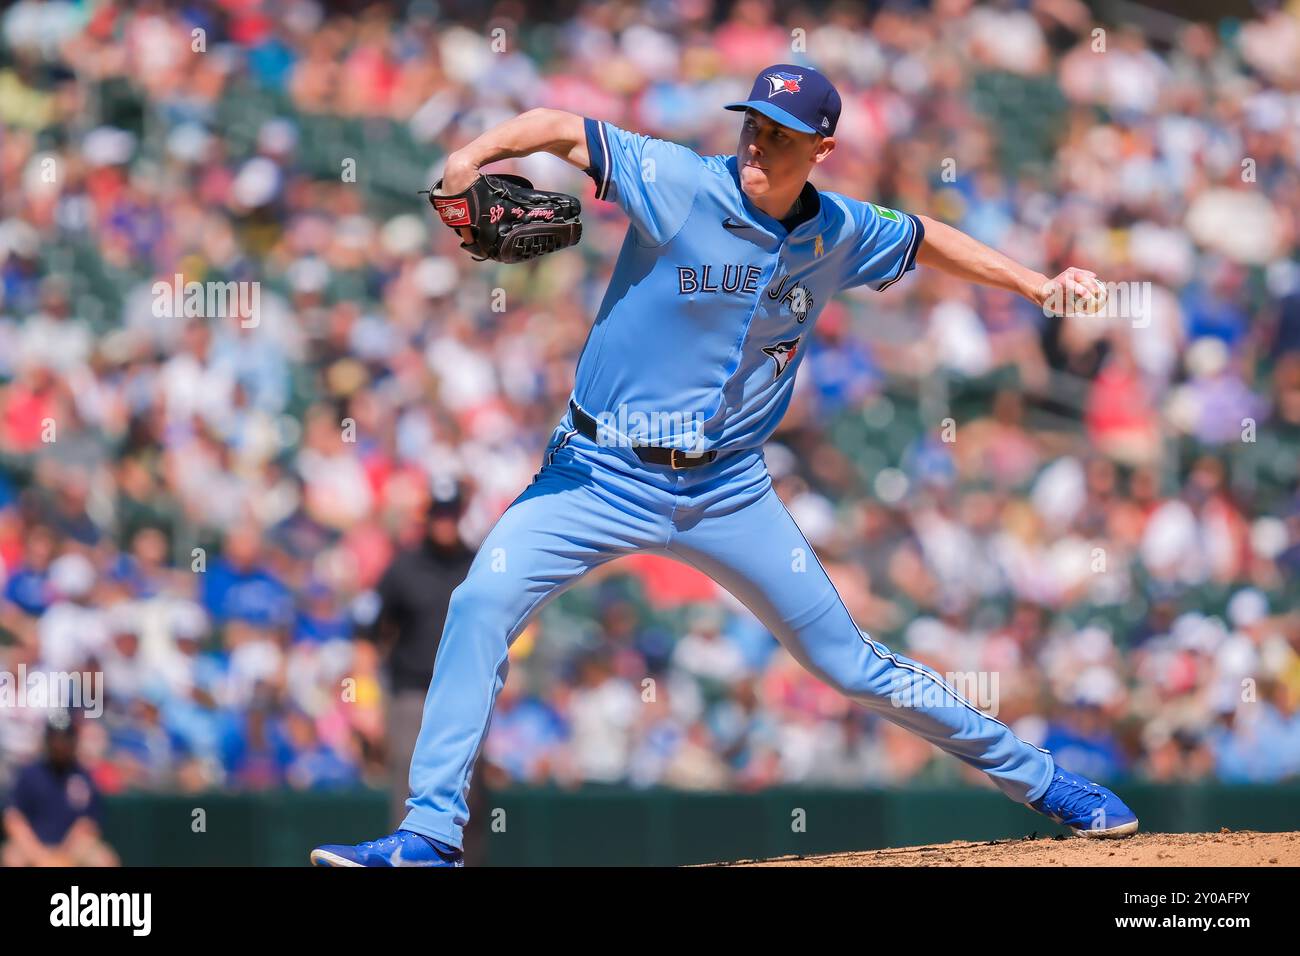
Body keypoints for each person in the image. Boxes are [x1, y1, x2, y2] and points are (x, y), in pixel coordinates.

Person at [311, 64, 1136, 867]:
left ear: (822, 148)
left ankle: (1048, 784)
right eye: (752, 125)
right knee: (481, 598)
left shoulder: (837, 231)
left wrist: (1035, 286)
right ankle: (428, 836)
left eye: (779, 135)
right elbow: (562, 129)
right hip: (598, 471)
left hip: (726, 489)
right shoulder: (676, 180)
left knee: (847, 663)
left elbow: (925, 239)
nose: (757, 143)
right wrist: (474, 156)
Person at [367, 489, 476, 842]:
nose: (445, 522)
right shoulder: (404, 567)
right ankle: (404, 857)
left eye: (450, 514)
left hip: (465, 692)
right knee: (410, 781)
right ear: (427, 518)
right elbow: (367, 630)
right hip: (413, 691)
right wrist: (364, 698)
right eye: (438, 514)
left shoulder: (478, 562)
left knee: (467, 785)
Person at [2, 711, 119, 867]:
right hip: (33, 847)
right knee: (11, 859)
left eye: (65, 739)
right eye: (55, 739)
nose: (60, 744)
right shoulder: (29, 774)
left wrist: (63, 858)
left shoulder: (83, 776)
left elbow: (88, 825)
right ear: (47, 740)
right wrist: (39, 855)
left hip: (73, 849)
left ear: (73, 741)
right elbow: (13, 818)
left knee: (104, 860)